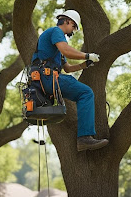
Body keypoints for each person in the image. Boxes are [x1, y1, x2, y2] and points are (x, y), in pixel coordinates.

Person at [31, 10, 109, 152]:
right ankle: (84, 138)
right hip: (47, 78)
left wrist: (84, 65)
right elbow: (67, 50)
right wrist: (87, 55)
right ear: (67, 21)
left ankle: (84, 138)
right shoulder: (56, 32)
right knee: (86, 93)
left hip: (47, 79)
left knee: (83, 92)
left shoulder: (56, 49)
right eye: (73, 27)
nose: (72, 31)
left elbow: (67, 68)